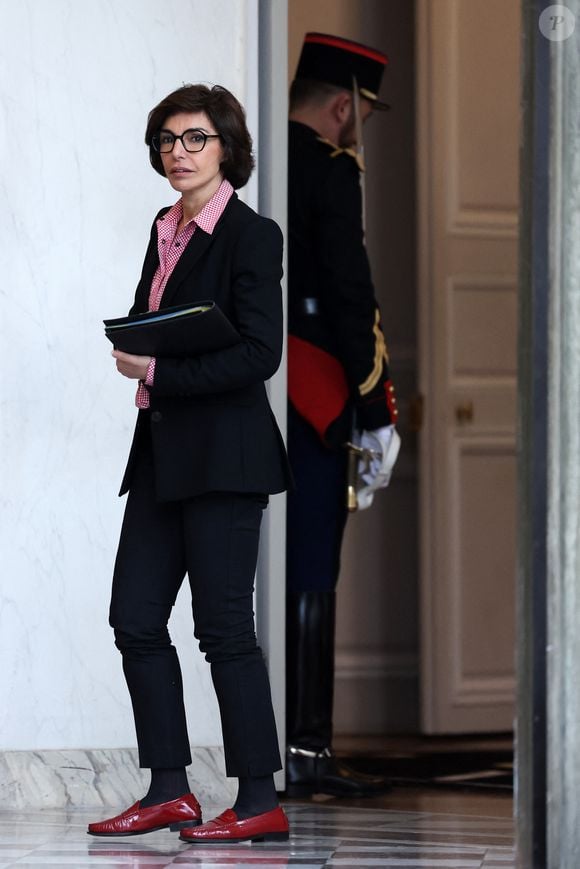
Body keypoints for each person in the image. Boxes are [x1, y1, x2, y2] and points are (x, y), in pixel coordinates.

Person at [88, 84, 291, 845]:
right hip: (163, 453)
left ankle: (260, 796)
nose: (180, 151)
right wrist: (142, 344)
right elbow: (167, 324)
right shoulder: (164, 226)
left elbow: (258, 355)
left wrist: (156, 370)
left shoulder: (252, 233)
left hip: (227, 458)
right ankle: (170, 788)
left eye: (196, 137)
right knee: (135, 617)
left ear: (227, 147)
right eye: (169, 139)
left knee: (224, 629)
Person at [285, 33, 400, 797]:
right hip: (318, 390)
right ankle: (309, 749)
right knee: (313, 565)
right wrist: (374, 408)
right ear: (342, 106)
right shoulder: (331, 171)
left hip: (265, 385)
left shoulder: (257, 163)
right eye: (362, 112)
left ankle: (282, 745)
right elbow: (350, 296)